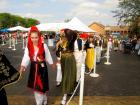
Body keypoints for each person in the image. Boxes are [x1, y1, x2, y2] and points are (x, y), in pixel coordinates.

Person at [20, 26, 54, 105]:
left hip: (42, 69)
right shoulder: (28, 47)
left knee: (42, 86)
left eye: (36, 37)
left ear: (39, 37)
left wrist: (51, 63)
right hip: (33, 68)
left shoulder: (43, 46)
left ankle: (43, 100)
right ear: (30, 37)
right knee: (37, 88)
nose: (34, 39)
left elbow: (48, 55)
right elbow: (26, 56)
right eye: (32, 37)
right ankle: (40, 102)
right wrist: (23, 66)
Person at [56, 29, 77, 105]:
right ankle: (69, 89)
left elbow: (74, 35)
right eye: (62, 35)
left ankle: (64, 97)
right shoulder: (60, 42)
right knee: (65, 75)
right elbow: (57, 53)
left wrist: (66, 30)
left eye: (64, 34)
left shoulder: (71, 41)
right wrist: (58, 46)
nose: (63, 36)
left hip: (70, 59)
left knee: (68, 76)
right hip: (63, 60)